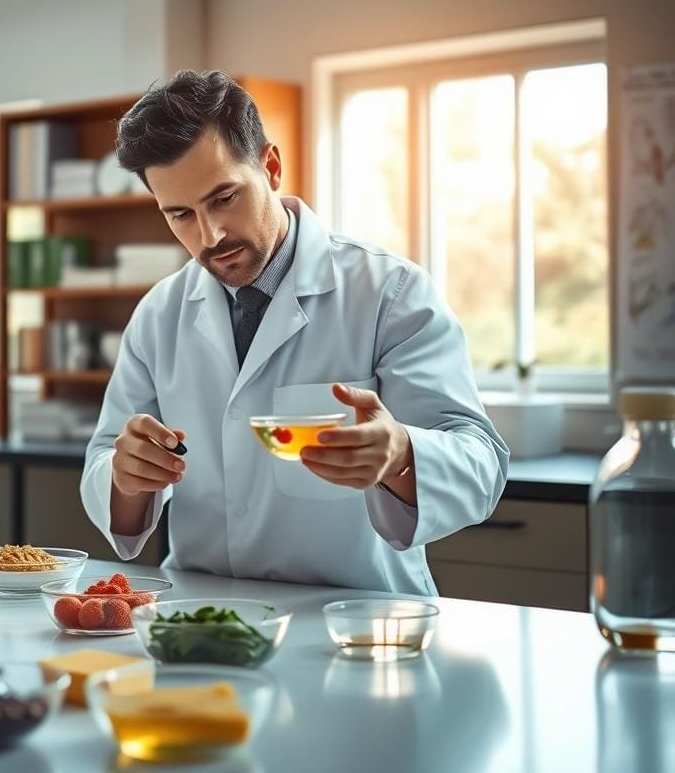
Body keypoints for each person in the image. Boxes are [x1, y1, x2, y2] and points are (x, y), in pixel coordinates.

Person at [80, 70, 508, 593]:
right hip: (202, 617)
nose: (210, 235)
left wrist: (398, 454)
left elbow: (480, 464)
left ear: (272, 166)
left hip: (354, 618)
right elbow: (107, 460)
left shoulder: (390, 293)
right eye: (180, 215)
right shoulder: (159, 314)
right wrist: (126, 475)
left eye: (224, 199)